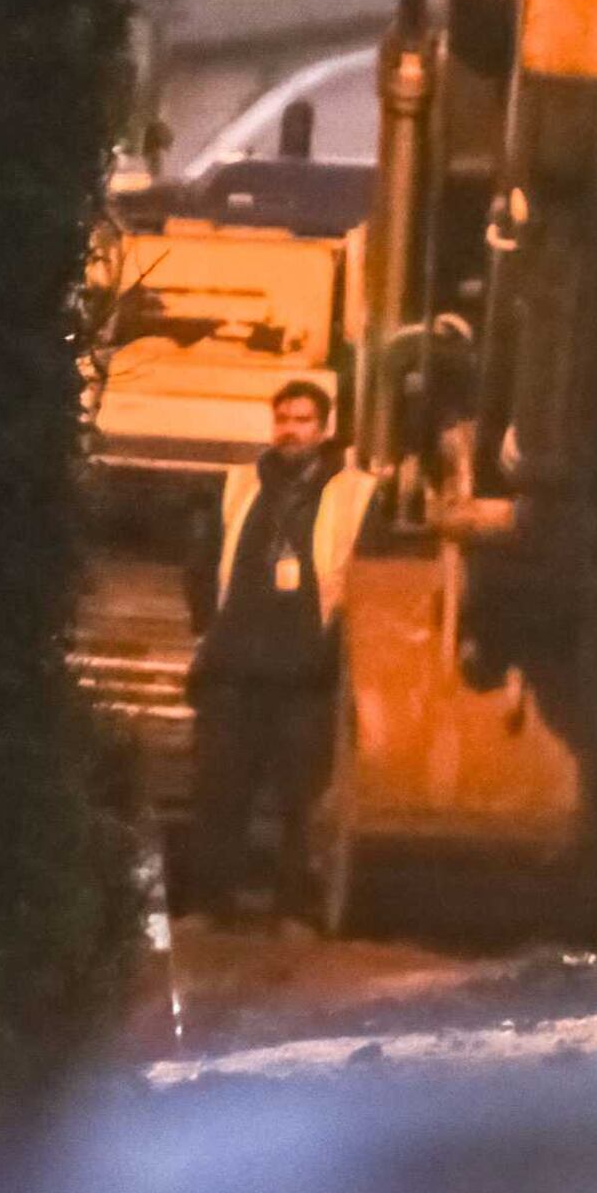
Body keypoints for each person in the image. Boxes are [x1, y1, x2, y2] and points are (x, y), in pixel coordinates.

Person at [181, 379, 375, 919]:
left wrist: (334, 653)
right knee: (220, 792)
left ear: (325, 428)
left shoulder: (356, 493)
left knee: (302, 802)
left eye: (303, 420)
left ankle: (293, 909)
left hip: (306, 674)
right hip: (235, 667)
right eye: (284, 419)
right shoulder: (241, 484)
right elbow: (202, 564)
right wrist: (210, 632)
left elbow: (368, 581)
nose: (291, 430)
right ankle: (211, 902)